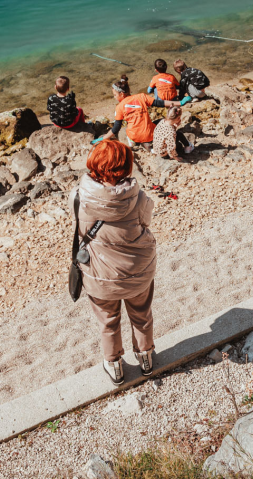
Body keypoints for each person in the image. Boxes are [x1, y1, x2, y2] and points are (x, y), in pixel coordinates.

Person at [71, 140, 157, 385]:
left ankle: (115, 365)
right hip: (137, 272)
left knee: (108, 322)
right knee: (142, 315)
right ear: (127, 166)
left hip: (100, 277)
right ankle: (146, 357)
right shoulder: (139, 198)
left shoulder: (78, 198)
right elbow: (146, 222)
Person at [98, 75, 172, 148]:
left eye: (115, 95)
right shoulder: (141, 97)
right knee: (162, 121)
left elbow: (116, 128)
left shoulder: (119, 107)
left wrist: (105, 137)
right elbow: (159, 103)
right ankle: (147, 142)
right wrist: (179, 102)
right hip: (150, 135)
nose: (114, 97)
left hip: (134, 136)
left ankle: (132, 141)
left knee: (125, 129)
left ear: (122, 94)